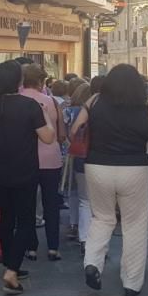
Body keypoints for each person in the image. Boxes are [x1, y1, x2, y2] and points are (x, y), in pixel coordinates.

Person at [70, 64, 148, 296]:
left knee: (102, 218)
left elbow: (75, 130)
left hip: (97, 166)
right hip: (134, 169)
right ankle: (132, 283)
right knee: (134, 224)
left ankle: (92, 262)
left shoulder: (94, 101)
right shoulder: (147, 110)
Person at [0, 60, 55, 295]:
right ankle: (11, 270)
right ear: (17, 80)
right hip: (24, 169)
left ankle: (11, 262)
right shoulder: (30, 105)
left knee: (5, 217)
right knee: (25, 219)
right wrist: (46, 117)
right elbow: (48, 138)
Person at [22, 64, 66, 262]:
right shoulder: (51, 101)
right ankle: (53, 247)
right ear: (41, 82)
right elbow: (61, 134)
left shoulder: (18, 99)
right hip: (50, 157)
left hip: (26, 157)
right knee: (51, 204)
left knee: (28, 204)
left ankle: (31, 247)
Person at [63, 83, 93, 249]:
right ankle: (86, 234)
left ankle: (75, 225)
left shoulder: (68, 111)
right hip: (94, 156)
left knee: (76, 193)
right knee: (90, 199)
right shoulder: (95, 110)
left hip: (75, 153)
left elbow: (66, 132)